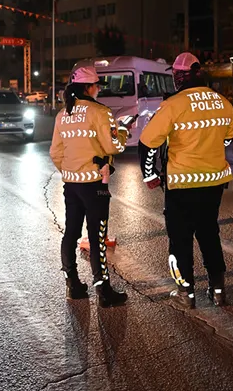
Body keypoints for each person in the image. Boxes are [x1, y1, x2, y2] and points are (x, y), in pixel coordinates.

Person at [139, 52, 233, 309]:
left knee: (180, 238)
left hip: (182, 184)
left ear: (180, 76)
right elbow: (227, 139)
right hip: (214, 182)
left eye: (176, 74)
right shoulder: (222, 102)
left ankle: (186, 293)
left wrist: (149, 174)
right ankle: (218, 291)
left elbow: (148, 142)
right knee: (209, 234)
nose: (175, 78)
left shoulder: (173, 105)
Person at [49, 65, 131, 307]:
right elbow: (113, 146)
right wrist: (123, 132)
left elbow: (55, 151)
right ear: (89, 87)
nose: (98, 90)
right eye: (97, 85)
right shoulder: (100, 112)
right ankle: (103, 290)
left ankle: (72, 284)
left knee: (71, 232)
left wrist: (69, 171)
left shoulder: (63, 114)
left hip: (71, 184)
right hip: (95, 183)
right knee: (97, 236)